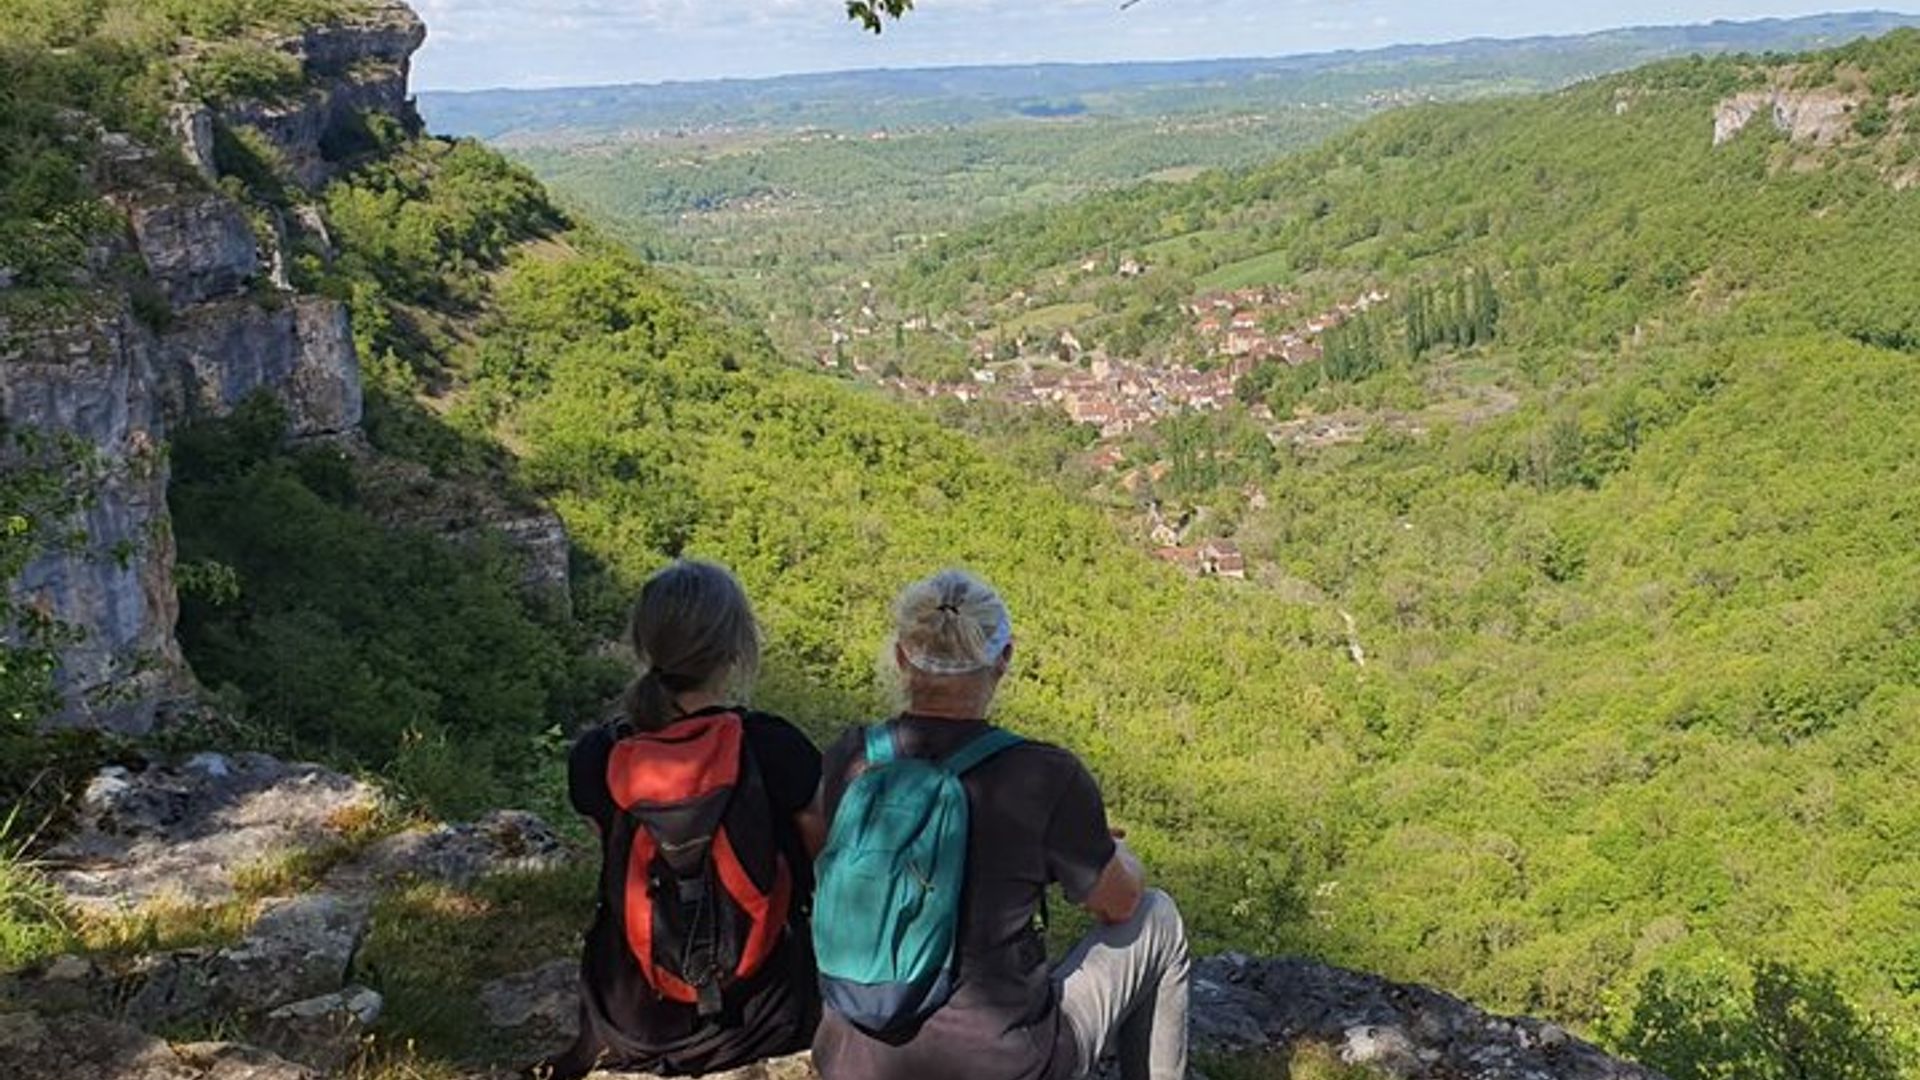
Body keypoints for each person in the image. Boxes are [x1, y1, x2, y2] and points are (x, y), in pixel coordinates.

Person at [811, 569, 1190, 1080]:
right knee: (1157, 915)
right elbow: (1118, 903)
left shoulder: (852, 758)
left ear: (902, 657)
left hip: (854, 1060)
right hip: (1001, 1062)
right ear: (1004, 659)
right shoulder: (1044, 776)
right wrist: (1113, 855)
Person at [546, 560, 825, 1079]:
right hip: (765, 1015)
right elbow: (820, 855)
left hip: (632, 1018)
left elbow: (612, 852)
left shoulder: (597, 756)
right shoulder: (776, 749)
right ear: (736, 648)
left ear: (643, 643)